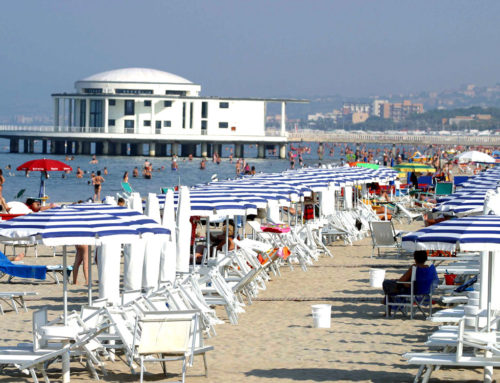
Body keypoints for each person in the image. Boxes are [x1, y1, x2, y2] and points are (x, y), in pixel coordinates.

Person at [382, 250, 438, 315]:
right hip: (425, 290)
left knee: (387, 284)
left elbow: (401, 280)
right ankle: (387, 302)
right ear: (425, 259)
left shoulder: (415, 267)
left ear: (415, 259)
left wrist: (397, 281)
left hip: (412, 291)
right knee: (393, 286)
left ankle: (387, 309)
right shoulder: (430, 268)